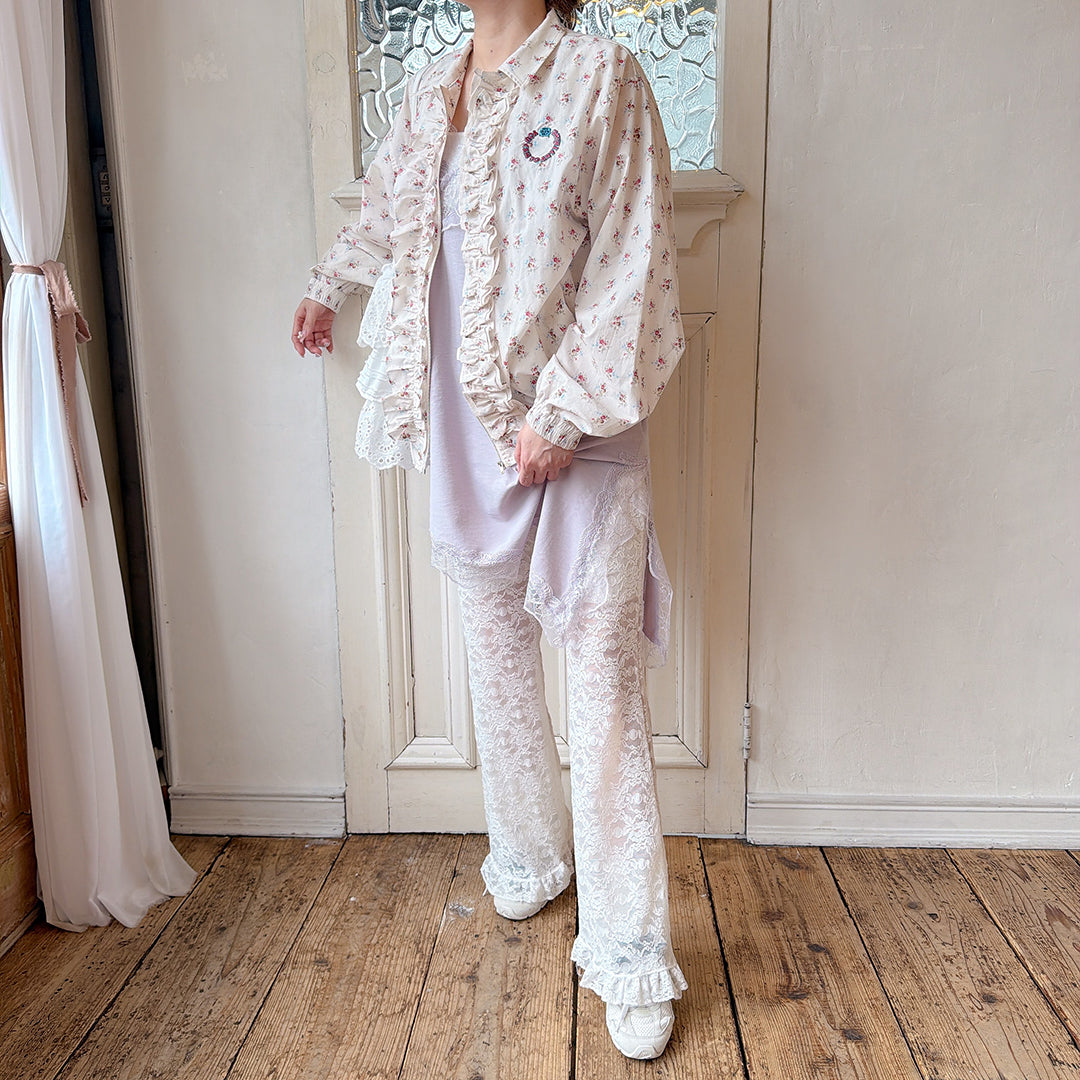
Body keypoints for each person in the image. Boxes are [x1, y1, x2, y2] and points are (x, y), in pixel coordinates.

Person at [292, 0, 687, 1059]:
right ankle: (529, 854)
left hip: (576, 422)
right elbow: (390, 208)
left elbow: (634, 260)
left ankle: (630, 946)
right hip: (463, 422)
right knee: (497, 657)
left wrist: (563, 414)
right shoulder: (435, 86)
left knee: (602, 683)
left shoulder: (602, 74)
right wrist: (330, 286)